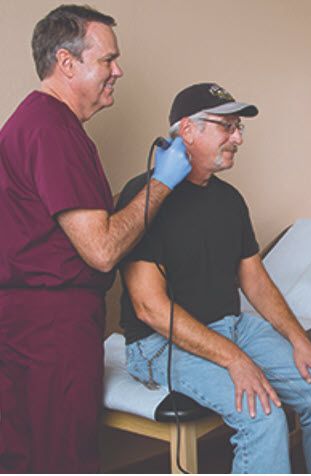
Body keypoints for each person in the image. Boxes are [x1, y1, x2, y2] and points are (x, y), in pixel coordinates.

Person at [116, 82, 311, 473]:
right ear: (187, 130)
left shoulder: (228, 199)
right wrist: (235, 360)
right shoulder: (144, 197)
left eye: (239, 127)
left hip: (232, 327)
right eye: (227, 126)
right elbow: (150, 308)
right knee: (262, 416)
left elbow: (255, 280)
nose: (238, 138)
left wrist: (301, 342)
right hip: (160, 342)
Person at [0, 5, 190, 473]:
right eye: (107, 60)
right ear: (67, 63)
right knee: (60, 457)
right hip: (51, 334)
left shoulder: (38, 123)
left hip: (33, 328)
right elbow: (102, 251)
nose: (117, 70)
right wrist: (162, 183)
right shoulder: (51, 129)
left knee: (29, 453)